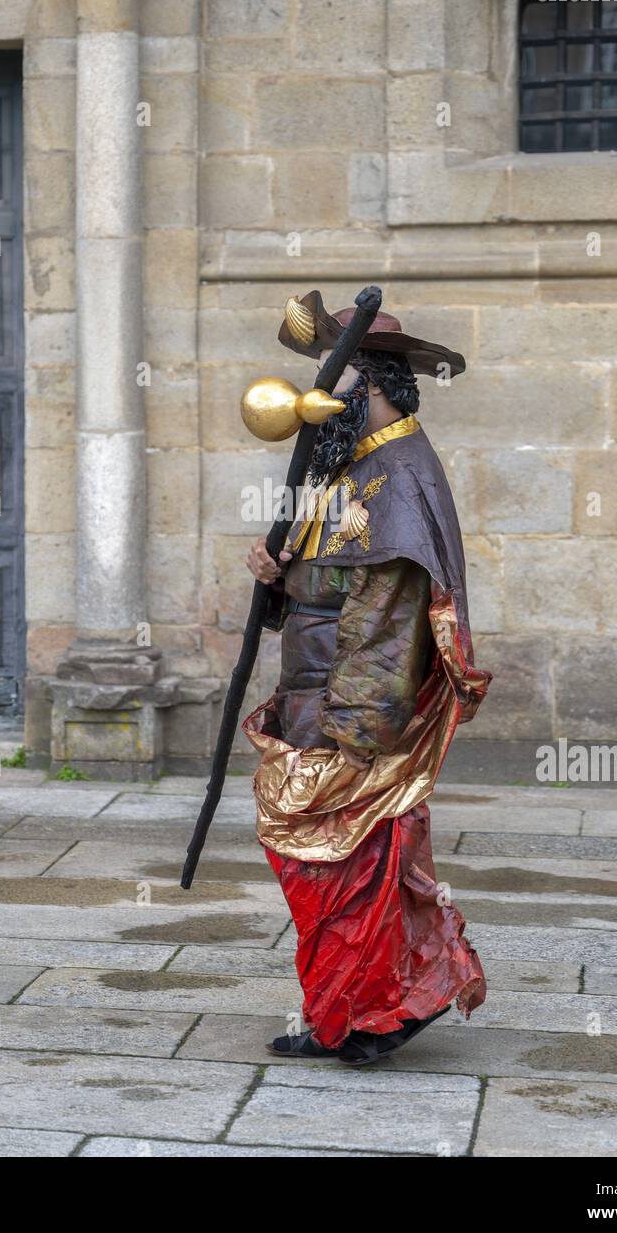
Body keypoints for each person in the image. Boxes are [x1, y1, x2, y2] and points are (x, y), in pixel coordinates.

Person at [244, 290, 492, 1066]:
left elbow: (388, 620)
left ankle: (377, 1010)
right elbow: (334, 594)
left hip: (350, 720)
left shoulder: (399, 475)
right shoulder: (360, 470)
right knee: (327, 874)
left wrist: (351, 741)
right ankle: (349, 1012)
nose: (317, 399)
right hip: (318, 702)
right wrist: (280, 579)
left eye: (334, 377)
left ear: (370, 378)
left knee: (345, 871)